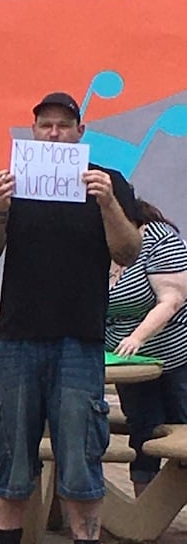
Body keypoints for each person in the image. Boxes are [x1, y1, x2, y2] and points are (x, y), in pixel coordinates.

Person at [0, 90, 140, 544]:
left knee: (82, 450)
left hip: (80, 339)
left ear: (80, 131)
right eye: (45, 126)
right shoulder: (16, 181)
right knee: (11, 448)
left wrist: (108, 201)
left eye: (64, 126)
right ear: (33, 130)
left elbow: (128, 251)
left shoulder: (106, 181)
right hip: (17, 335)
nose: (55, 134)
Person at [104, 199, 187, 494]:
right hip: (126, 363)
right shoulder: (95, 243)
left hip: (174, 356)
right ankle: (143, 512)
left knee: (181, 423)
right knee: (142, 429)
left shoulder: (159, 238)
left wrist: (137, 337)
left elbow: (172, 300)